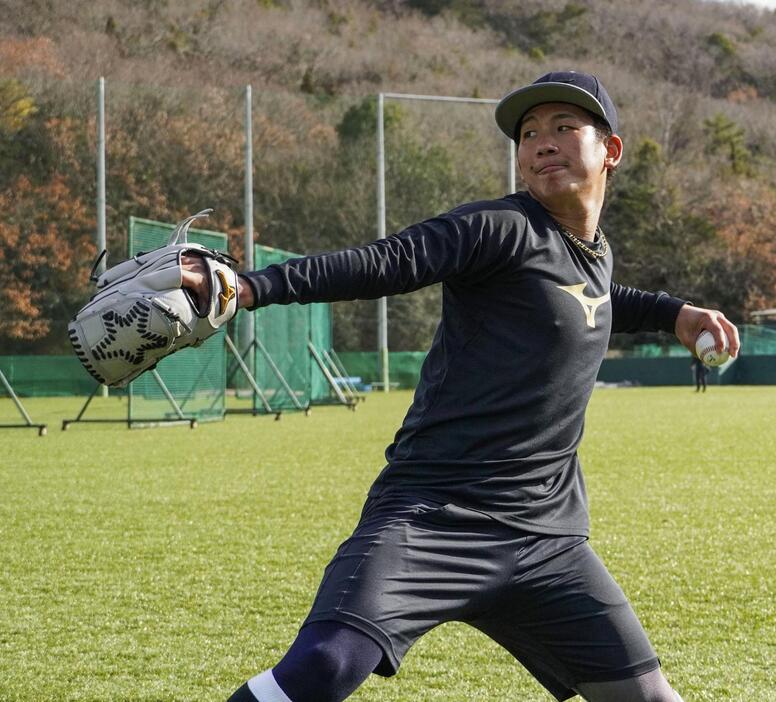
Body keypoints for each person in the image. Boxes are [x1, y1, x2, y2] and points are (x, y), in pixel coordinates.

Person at [183, 71, 740, 702]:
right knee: (327, 663)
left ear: (610, 151)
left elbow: (600, 298)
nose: (543, 143)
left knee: (650, 699)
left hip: (546, 538)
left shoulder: (591, 252)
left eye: (564, 127)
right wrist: (252, 287)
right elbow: (389, 261)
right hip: (436, 514)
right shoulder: (500, 227)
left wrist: (675, 313)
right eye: (529, 134)